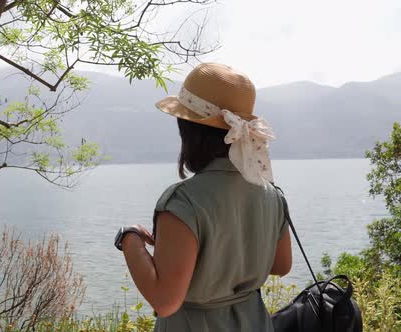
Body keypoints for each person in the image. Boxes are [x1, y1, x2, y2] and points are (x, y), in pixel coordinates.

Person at [113, 63, 292, 331]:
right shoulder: (271, 193)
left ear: (189, 130)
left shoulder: (183, 201)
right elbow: (281, 265)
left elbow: (165, 301)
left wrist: (129, 238)